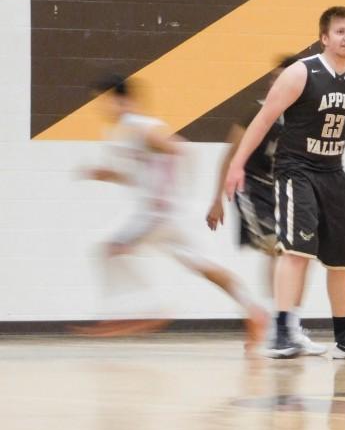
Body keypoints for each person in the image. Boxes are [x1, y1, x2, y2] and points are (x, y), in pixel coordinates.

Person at [225, 6, 345, 360]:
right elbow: (263, 118)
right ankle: (283, 332)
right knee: (297, 251)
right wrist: (237, 164)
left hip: (333, 172)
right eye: (341, 31)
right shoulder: (301, 72)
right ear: (325, 37)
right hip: (296, 169)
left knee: (341, 260)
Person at [81, 74, 268, 346]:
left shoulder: (137, 125)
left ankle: (146, 309)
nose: (101, 107)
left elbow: (179, 150)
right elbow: (140, 173)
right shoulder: (126, 131)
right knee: (207, 267)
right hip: (175, 213)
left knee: (107, 248)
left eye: (103, 100)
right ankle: (254, 311)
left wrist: (165, 193)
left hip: (159, 213)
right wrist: (108, 174)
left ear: (121, 99)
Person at [205, 55, 326, 355]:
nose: (275, 83)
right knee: (278, 248)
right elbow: (230, 156)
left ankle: (291, 326)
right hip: (254, 190)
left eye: (281, 78)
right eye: (273, 78)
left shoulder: (307, 118)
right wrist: (217, 198)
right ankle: (277, 327)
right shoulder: (256, 114)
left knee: (303, 252)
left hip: (288, 189)